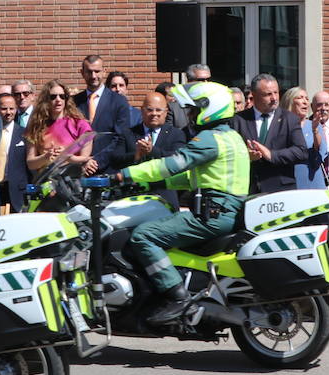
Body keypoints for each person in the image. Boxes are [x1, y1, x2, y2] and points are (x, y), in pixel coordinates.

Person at [114, 81, 250, 324]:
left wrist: (127, 174)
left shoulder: (210, 138)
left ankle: (177, 296)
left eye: (194, 109)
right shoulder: (232, 138)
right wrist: (154, 185)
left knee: (143, 236)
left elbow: (172, 164)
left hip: (211, 215)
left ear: (210, 109)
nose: (189, 114)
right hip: (225, 212)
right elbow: (192, 177)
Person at [232, 73, 307, 194]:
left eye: (276, 92)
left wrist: (271, 155)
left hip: (280, 190)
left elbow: (301, 151)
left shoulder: (289, 119)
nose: (274, 98)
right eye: (268, 94)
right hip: (247, 189)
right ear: (254, 95)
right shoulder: (239, 120)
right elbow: (229, 153)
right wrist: (246, 157)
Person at [72, 54, 133, 175]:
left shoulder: (119, 102)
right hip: (78, 172)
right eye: (89, 72)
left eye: (97, 71)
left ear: (104, 72)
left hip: (109, 171)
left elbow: (120, 138)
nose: (93, 76)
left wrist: (96, 162)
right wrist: (82, 161)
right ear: (82, 73)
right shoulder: (73, 103)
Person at [130, 91, 187, 207]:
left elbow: (178, 160)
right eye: (149, 109)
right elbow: (116, 157)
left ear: (166, 112)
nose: (154, 114)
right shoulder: (129, 133)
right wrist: (135, 155)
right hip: (133, 197)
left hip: (165, 197)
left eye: (158, 110)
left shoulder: (177, 134)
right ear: (142, 110)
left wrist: (152, 151)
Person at [25, 80, 94, 173]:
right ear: (46, 100)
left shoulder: (80, 125)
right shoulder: (36, 126)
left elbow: (85, 160)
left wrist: (67, 156)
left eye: (62, 96)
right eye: (53, 97)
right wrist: (46, 157)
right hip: (47, 183)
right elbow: (30, 163)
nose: (58, 100)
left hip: (72, 182)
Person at [0, 92, 30, 212]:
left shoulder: (24, 134)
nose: (8, 112)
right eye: (4, 109)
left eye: (11, 108)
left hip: (17, 193)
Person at [295, 92, 329, 189]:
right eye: (319, 104)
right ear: (312, 106)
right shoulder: (305, 124)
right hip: (309, 179)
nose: (323, 108)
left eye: (327, 104)